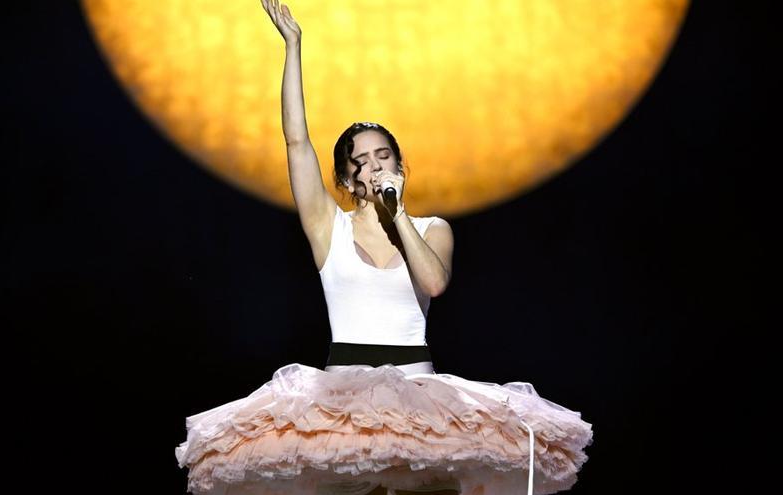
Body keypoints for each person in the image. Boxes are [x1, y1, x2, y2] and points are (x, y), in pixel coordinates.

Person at [174, 2, 593, 494]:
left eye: (383, 156)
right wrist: (293, 46)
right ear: (347, 179)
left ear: (399, 164)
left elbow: (434, 283)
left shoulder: (434, 227)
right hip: (340, 400)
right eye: (362, 162)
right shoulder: (329, 227)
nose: (374, 167)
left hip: (420, 396)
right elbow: (295, 142)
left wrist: (398, 216)